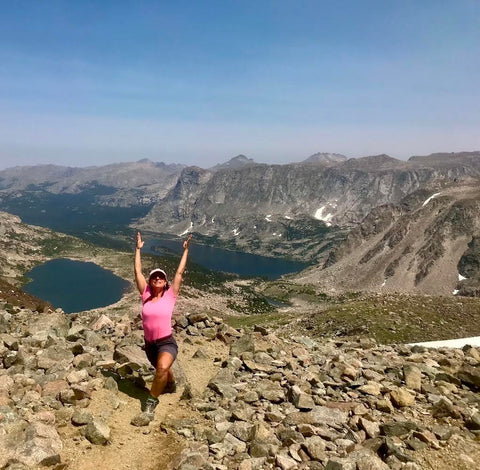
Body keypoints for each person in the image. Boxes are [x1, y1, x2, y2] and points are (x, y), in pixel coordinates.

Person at [134, 231, 192, 417]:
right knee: (163, 371)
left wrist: (185, 251)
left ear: (165, 281)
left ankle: (151, 402)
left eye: (161, 277)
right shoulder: (145, 296)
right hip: (150, 345)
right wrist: (138, 250)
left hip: (166, 342)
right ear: (150, 282)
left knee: (161, 368)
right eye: (154, 277)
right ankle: (171, 384)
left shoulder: (170, 296)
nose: (158, 278)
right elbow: (137, 272)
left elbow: (179, 272)